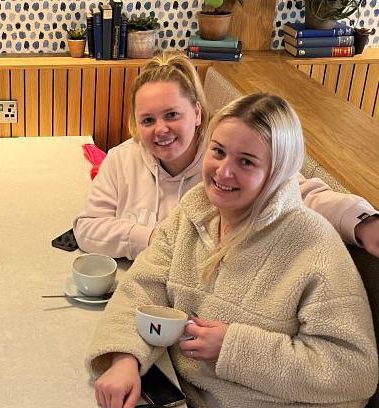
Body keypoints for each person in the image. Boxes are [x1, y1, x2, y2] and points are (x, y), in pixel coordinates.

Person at [87, 93, 378, 408]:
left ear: (277, 171)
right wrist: (125, 358)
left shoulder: (313, 246)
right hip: (191, 401)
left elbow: (354, 372)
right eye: (219, 152)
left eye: (246, 162)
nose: (224, 172)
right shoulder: (195, 211)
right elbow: (143, 285)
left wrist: (233, 348)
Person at [74, 53, 379, 260]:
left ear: (196, 113)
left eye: (172, 115)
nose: (160, 130)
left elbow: (298, 192)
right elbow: (87, 229)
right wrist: (154, 239)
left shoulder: (222, 160)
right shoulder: (120, 159)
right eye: (148, 120)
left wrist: (363, 223)